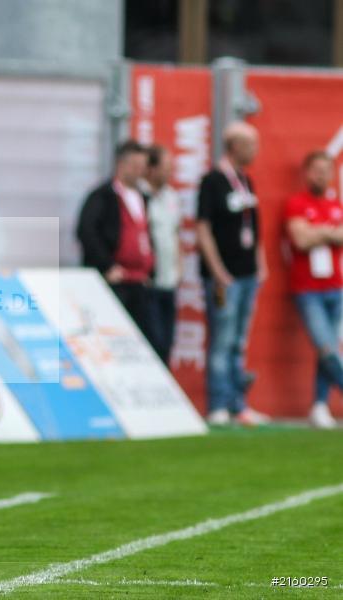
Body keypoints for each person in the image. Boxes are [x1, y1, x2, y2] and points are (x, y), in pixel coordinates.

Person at [196, 121, 268, 426]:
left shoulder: (246, 180)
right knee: (222, 339)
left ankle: (239, 403)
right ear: (234, 146)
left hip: (248, 274)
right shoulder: (212, 181)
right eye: (250, 144)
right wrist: (218, 271)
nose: (255, 150)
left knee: (239, 340)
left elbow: (253, 227)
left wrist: (260, 263)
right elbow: (203, 228)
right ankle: (218, 404)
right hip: (225, 278)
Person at [77, 140, 155, 344]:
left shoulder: (143, 197)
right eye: (136, 167)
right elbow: (86, 232)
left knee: (140, 339)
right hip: (114, 280)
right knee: (109, 336)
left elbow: (145, 235)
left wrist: (150, 270)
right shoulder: (102, 196)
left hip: (139, 282)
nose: (141, 172)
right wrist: (107, 266)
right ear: (122, 165)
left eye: (143, 167)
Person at [285, 151, 342, 429]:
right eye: (316, 170)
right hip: (308, 289)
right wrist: (329, 233)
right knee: (327, 347)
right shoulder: (297, 204)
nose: (321, 175)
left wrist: (317, 232)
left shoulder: (336, 205)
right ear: (307, 173)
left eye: (326, 170)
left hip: (335, 287)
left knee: (328, 350)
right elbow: (300, 239)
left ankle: (320, 405)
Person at [140, 145, 181, 364]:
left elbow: (175, 234)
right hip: (148, 282)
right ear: (151, 170)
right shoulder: (139, 197)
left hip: (169, 280)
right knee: (153, 341)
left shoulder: (171, 196)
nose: (170, 173)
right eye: (166, 168)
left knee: (167, 342)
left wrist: (179, 268)